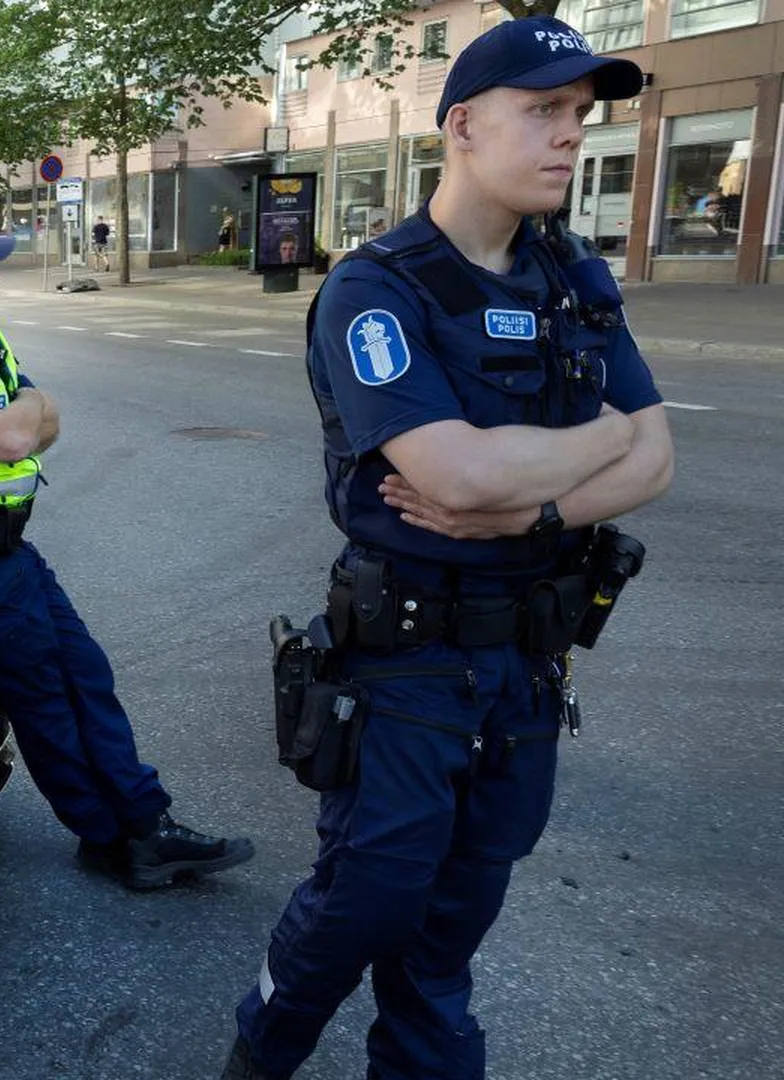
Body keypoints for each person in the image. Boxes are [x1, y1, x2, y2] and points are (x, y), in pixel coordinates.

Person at [221, 18, 674, 1080]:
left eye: (581, 114)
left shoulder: (574, 277)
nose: (572, 136)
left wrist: (538, 510)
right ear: (462, 126)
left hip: (526, 662)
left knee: (453, 924)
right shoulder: (379, 287)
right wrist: (599, 440)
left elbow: (656, 461)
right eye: (545, 112)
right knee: (361, 907)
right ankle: (259, 1056)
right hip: (407, 662)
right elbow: (455, 477)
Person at [0, 214, 254, 891]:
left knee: (86, 673)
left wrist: (22, 414)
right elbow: (9, 439)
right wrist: (23, 415)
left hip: (4, 552)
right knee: (46, 701)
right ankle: (114, 838)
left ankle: (144, 823)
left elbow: (44, 422)